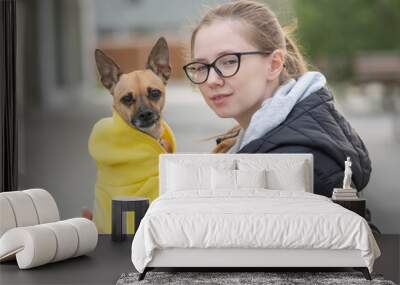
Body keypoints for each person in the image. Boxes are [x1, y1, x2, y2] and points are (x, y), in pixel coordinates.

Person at [182, 0, 371, 197]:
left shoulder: (294, 163)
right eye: (201, 67)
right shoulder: (256, 142)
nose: (212, 80)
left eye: (229, 61)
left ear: (274, 64)